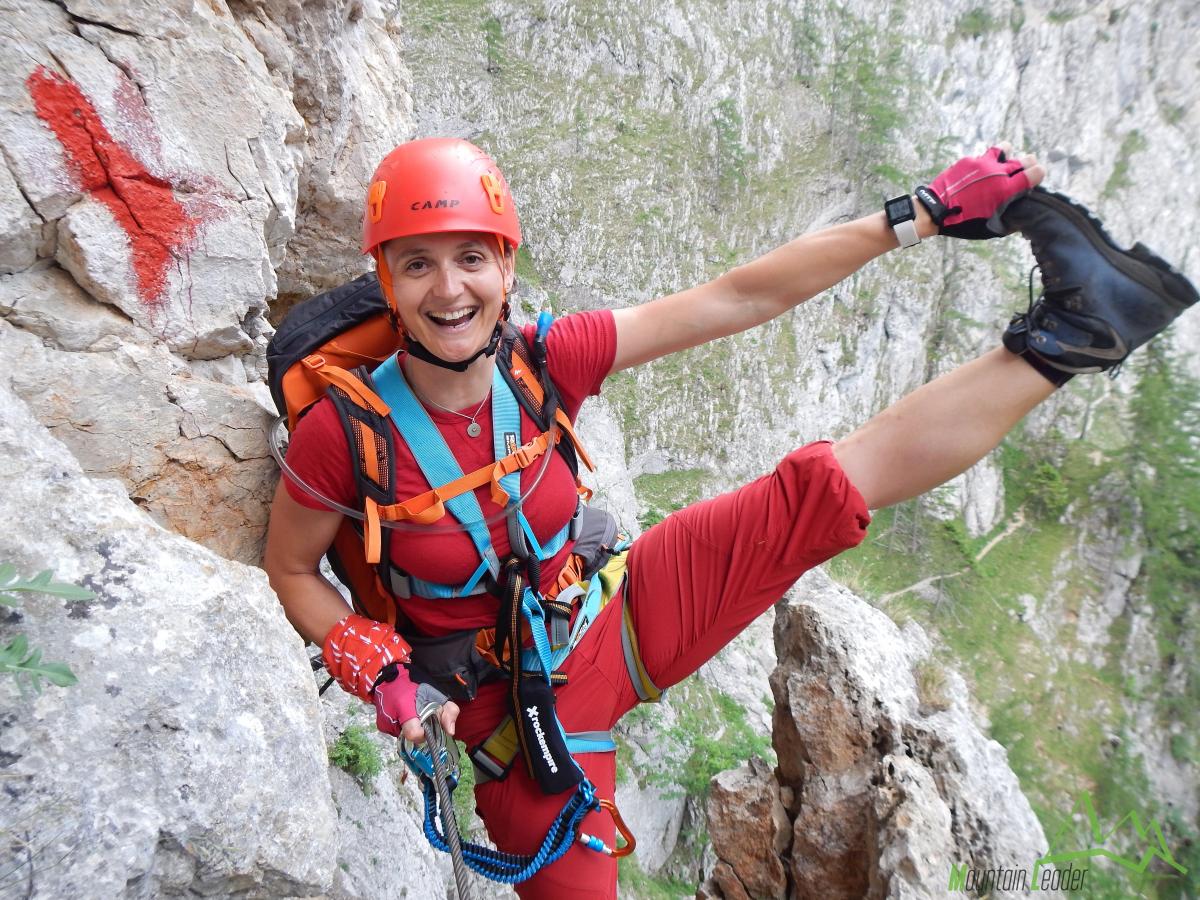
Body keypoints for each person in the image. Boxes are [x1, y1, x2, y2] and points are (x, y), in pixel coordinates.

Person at [262, 137, 1196, 899]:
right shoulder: (347, 434)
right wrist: (374, 665)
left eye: (472, 257)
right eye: (417, 264)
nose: (448, 290)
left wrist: (914, 215)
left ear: (506, 266)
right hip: (513, 721)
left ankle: (1074, 334)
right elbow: (293, 569)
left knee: (819, 490)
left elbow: (739, 297)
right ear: (385, 276)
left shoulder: (544, 359)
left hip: (604, 611)